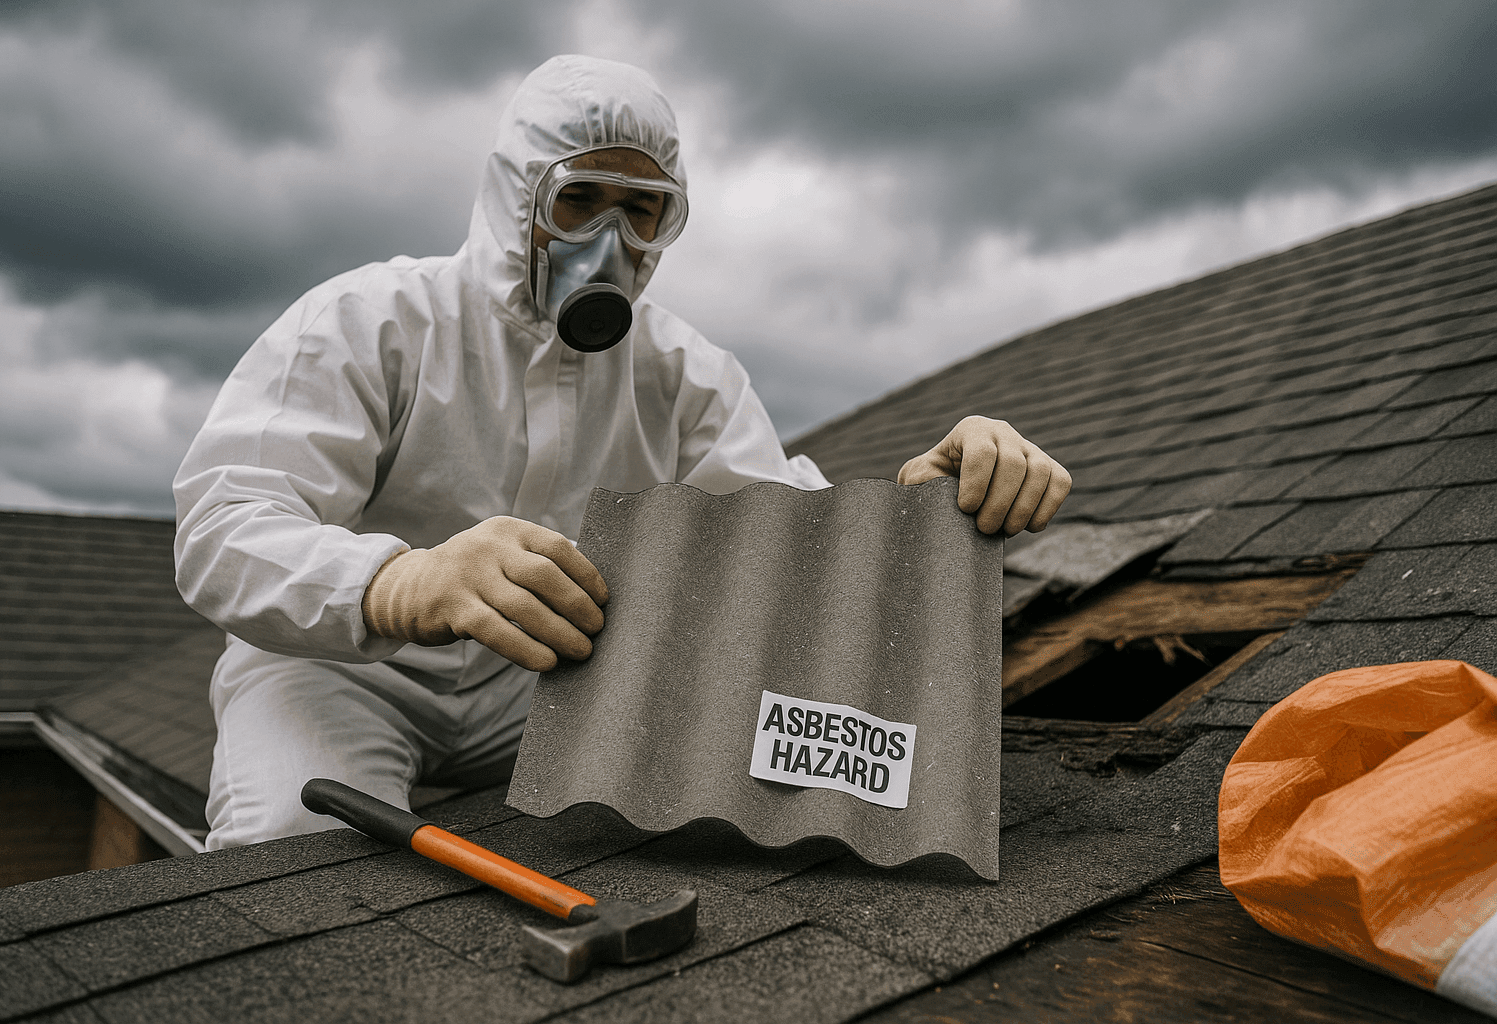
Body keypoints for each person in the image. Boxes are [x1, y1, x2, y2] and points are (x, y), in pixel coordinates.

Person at [174, 55, 1071, 851]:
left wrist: (918, 510)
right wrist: (403, 583)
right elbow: (224, 527)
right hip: (335, 667)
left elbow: (788, 552)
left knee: (655, 824)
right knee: (293, 850)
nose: (611, 243)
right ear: (514, 196)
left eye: (642, 212)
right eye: (579, 200)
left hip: (540, 681)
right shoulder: (368, 323)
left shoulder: (683, 373)